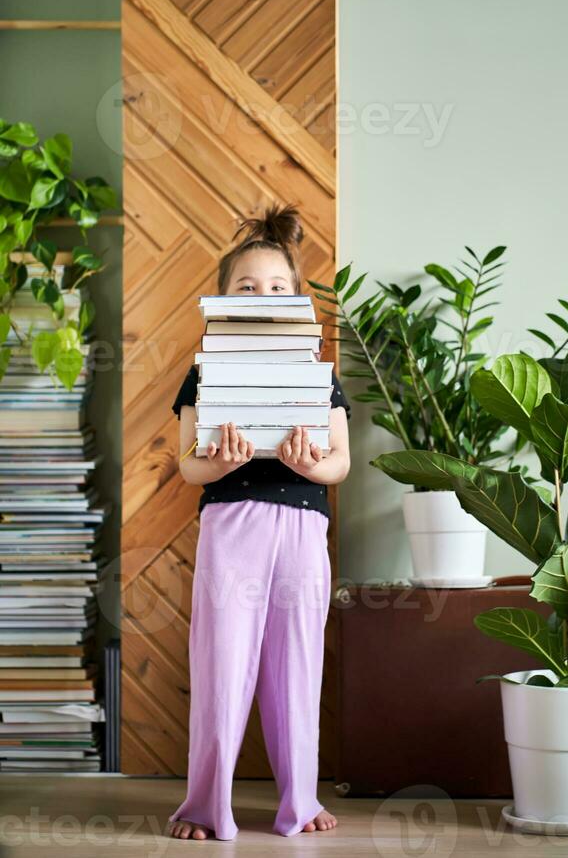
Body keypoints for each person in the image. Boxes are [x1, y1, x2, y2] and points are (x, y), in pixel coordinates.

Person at [166, 205, 351, 841]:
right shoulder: (203, 373)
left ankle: (299, 803)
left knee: (298, 668)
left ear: (298, 302)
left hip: (303, 529)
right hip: (231, 525)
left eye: (277, 288)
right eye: (246, 287)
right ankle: (204, 807)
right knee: (221, 665)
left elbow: (341, 460)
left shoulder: (316, 374)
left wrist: (313, 462)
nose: (262, 297)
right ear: (222, 302)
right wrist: (217, 464)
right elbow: (189, 467)